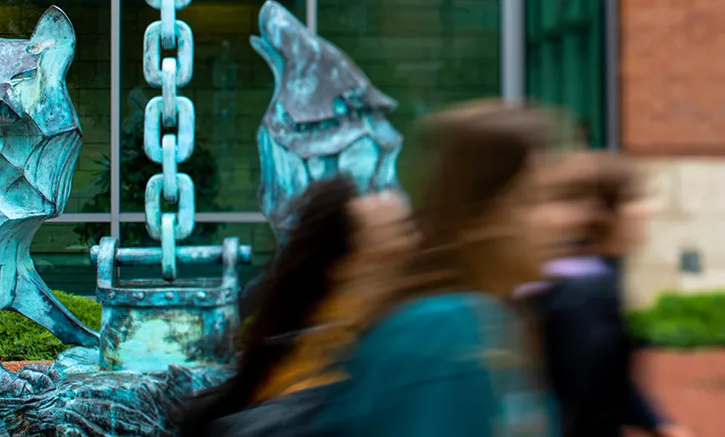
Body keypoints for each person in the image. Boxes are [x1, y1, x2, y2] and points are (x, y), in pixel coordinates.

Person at [310, 99, 562, 436]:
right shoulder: (442, 330)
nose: (559, 221)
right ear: (482, 216)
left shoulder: (492, 319)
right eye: (537, 198)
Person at [177, 177, 416, 437]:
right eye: (392, 258)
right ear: (342, 268)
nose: (413, 239)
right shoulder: (321, 394)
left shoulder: (365, 364)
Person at [518, 152, 688, 437]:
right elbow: (580, 400)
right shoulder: (584, 293)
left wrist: (658, 423)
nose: (649, 208)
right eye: (634, 199)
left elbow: (608, 378)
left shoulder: (579, 276)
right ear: (604, 213)